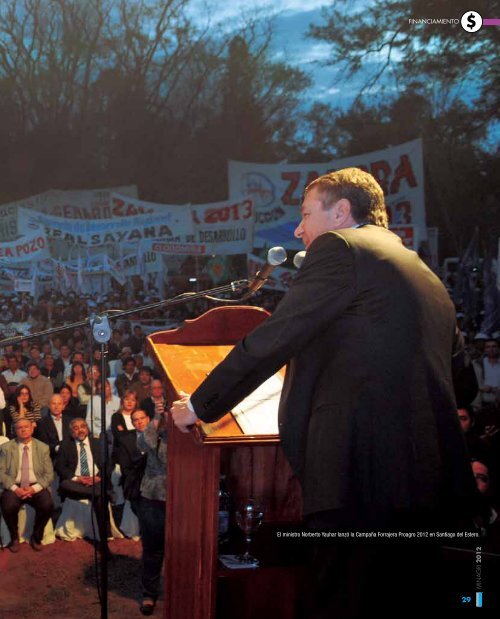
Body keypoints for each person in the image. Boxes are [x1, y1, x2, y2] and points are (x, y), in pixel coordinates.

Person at [172, 167, 478, 615]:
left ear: (341, 212)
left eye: (305, 214)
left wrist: (199, 405)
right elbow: (463, 384)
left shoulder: (341, 248)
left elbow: (276, 336)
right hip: (427, 488)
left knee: (340, 599)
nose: (298, 230)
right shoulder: (424, 274)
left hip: (359, 479)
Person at [55, 417, 110, 550]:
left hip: (95, 480)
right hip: (76, 483)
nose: (80, 430)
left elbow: (108, 464)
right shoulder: (65, 445)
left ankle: (103, 541)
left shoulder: (98, 443)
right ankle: (100, 492)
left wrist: (98, 478)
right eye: (76, 428)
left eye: (83, 426)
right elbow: (60, 467)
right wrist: (77, 478)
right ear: (71, 432)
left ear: (87, 429)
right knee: (65, 484)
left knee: (99, 500)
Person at [0, 418, 54, 552]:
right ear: (14, 430)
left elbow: (49, 475)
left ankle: (36, 536)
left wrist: (34, 488)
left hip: (36, 485)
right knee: (8, 506)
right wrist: (15, 489)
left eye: (26, 427)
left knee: (47, 505)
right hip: (14, 486)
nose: (23, 430)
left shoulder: (43, 447)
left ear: (32, 428)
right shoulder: (6, 448)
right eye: (19, 428)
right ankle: (14, 537)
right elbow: (0, 473)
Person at [136, 406, 167, 615]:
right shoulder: (155, 426)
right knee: (153, 550)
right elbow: (143, 444)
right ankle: (149, 594)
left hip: (186, 497)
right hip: (153, 496)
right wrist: (157, 418)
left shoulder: (194, 425)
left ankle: (184, 591)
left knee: (185, 549)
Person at [35, 394, 72, 460]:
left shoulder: (70, 421)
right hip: (52, 457)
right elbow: (43, 444)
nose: (56, 407)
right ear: (49, 406)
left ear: (63, 406)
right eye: (53, 404)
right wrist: (57, 448)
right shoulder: (42, 423)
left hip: (70, 456)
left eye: (59, 404)